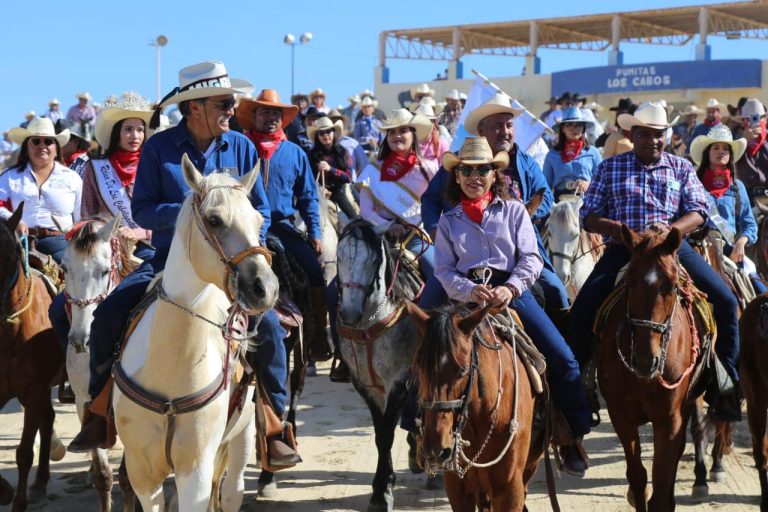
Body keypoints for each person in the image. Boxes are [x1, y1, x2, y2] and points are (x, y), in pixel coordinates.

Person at [67, 61, 300, 466]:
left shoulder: (242, 147)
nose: (232, 109)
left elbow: (259, 208)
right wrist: (192, 212)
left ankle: (274, 425)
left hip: (231, 268)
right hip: (166, 260)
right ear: (195, 107)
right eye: (224, 103)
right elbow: (141, 209)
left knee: (274, 332)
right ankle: (99, 413)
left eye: (232, 102)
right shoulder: (159, 148)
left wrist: (248, 254)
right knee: (109, 315)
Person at [570, 101, 742, 422]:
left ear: (667, 135)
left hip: (672, 250)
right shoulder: (610, 167)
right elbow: (588, 215)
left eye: (659, 134)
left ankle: (725, 384)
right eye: (646, 134)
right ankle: (582, 385)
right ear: (632, 135)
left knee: (725, 299)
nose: (653, 140)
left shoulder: (681, 167)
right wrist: (621, 232)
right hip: (625, 249)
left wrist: (672, 230)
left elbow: (699, 211)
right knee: (582, 309)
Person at [432, 136, 591, 475]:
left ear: (495, 174)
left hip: (513, 293)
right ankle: (423, 436)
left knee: (563, 359)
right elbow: (444, 269)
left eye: (483, 170)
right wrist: (470, 290)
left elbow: (532, 258)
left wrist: (510, 288)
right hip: (466, 300)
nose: (475, 177)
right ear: (457, 176)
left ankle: (571, 436)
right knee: (428, 362)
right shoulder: (448, 221)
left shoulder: (515, 211)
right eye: (467, 171)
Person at [420, 92, 570, 320]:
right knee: (426, 307)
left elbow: (546, 196)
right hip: (463, 255)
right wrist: (434, 228)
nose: (506, 131)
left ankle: (562, 344)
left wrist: (523, 215)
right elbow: (430, 199)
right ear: (481, 130)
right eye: (498, 126)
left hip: (519, 250)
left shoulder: (525, 161)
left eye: (509, 125)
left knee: (556, 289)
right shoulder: (460, 163)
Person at [48, 92, 156, 364]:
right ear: (117, 133)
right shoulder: (96, 169)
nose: (135, 135)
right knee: (59, 310)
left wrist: (142, 233)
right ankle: (73, 369)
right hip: (104, 251)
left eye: (140, 130)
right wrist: (105, 233)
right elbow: (85, 216)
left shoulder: (155, 167)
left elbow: (169, 216)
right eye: (128, 129)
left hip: (149, 250)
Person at [236, 89, 333, 373]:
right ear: (253, 115)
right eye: (264, 112)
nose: (271, 118)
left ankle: (316, 339)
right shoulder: (241, 147)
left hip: (282, 226)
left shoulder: (295, 153)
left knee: (315, 272)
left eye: (276, 114)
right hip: (244, 227)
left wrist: (315, 231)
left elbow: (308, 197)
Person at [357, 108, 437, 281]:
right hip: (378, 236)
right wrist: (387, 226)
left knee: (438, 275)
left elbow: (439, 203)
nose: (396, 135)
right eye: (391, 131)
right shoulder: (372, 169)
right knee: (337, 289)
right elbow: (365, 211)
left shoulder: (429, 169)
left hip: (415, 237)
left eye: (403, 130)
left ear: (413, 134)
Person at [689, 124, 767, 294]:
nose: (721, 151)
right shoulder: (693, 184)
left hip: (730, 252)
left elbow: (750, 224)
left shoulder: (737, 187)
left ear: (731, 154)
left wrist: (741, 242)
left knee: (758, 292)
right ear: (707, 153)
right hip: (697, 249)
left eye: (726, 148)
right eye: (715, 147)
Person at [0, 117, 81, 263]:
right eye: (36, 141)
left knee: (75, 275)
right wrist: (15, 222)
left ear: (56, 149)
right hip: (19, 241)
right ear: (27, 147)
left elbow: (82, 217)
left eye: (48, 141)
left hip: (59, 243)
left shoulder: (73, 178)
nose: (42, 146)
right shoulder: (8, 176)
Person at [543, 106, 602, 200]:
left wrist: (588, 184)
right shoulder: (552, 155)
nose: (574, 129)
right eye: (569, 124)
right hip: (560, 202)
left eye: (578, 125)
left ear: (583, 129)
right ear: (562, 128)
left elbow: (602, 180)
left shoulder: (593, 152)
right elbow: (545, 186)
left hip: (587, 201)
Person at [306, 116, 359, 219]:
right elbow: (309, 177)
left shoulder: (343, 152)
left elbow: (348, 177)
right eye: (321, 133)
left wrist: (330, 169)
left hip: (339, 191)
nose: (325, 135)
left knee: (354, 218)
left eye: (328, 131)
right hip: (319, 193)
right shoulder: (311, 155)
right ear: (318, 136)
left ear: (333, 132)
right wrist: (320, 189)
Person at [735, 99, 768, 205]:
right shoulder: (736, 142)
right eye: (747, 119)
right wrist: (744, 141)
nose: (751, 122)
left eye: (756, 118)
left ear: (764, 119)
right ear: (743, 121)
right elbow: (730, 161)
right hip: (745, 196)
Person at [329, 108, 368, 181]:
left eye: (337, 121)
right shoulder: (320, 145)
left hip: (349, 187)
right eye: (332, 121)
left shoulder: (352, 143)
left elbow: (365, 168)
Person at [412, 102, 450, 169]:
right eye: (421, 121)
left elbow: (445, 172)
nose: (424, 125)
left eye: (429, 121)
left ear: (434, 123)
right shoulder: (408, 143)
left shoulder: (442, 145)